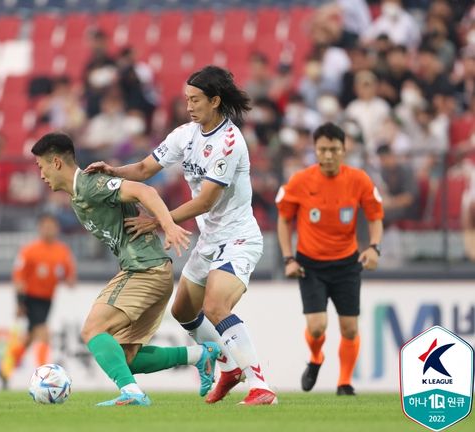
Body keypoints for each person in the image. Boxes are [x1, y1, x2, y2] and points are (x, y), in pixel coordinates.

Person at [86, 65, 277, 405]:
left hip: (239, 238)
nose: (189, 106)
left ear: (215, 101)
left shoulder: (229, 142)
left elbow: (205, 200)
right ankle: (227, 366)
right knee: (183, 311)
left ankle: (259, 384)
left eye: (196, 99)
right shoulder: (185, 135)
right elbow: (146, 169)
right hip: (208, 240)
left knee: (216, 305)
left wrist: (158, 220)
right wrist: (114, 170)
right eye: (186, 98)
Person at [31, 132, 220, 407]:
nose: (41, 175)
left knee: (93, 330)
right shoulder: (78, 196)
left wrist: (165, 224)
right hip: (150, 271)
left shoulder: (90, 185)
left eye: (41, 166)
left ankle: (132, 393)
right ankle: (200, 356)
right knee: (125, 357)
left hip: (144, 269)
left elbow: (145, 190)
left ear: (57, 162)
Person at [275, 122, 384, 396]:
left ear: (344, 150)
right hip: (310, 264)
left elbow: (375, 216)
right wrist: (288, 258)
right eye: (322, 149)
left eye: (334, 149)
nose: (328, 155)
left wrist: (374, 248)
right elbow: (284, 220)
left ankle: (344, 383)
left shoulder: (359, 180)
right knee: (317, 326)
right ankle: (316, 358)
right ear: (315, 150)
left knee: (349, 328)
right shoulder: (300, 181)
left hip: (347, 263)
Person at [0, 214, 77, 388]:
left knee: (29, 338)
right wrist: (19, 303)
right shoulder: (29, 250)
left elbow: (68, 275)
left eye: (52, 226)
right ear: (39, 228)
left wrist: (69, 279)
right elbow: (18, 278)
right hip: (30, 298)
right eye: (45, 226)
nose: (49, 229)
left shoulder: (62, 250)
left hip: (48, 299)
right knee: (43, 333)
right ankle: (44, 377)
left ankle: (5, 369)